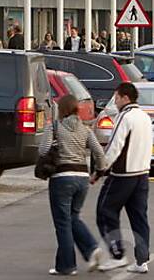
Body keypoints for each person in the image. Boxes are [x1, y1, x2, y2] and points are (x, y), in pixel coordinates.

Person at [42, 95, 108, 275]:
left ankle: (67, 266)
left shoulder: (55, 127)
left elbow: (43, 150)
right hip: (82, 178)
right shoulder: (85, 129)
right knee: (73, 217)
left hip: (62, 177)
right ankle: (92, 249)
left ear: (61, 109)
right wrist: (99, 171)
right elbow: (99, 152)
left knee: (63, 223)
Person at [95, 83, 153, 273]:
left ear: (125, 98)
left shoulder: (125, 116)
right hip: (142, 173)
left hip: (122, 175)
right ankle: (141, 260)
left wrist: (100, 170)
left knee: (105, 212)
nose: (116, 102)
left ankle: (116, 255)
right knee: (139, 218)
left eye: (117, 98)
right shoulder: (144, 117)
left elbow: (114, 146)